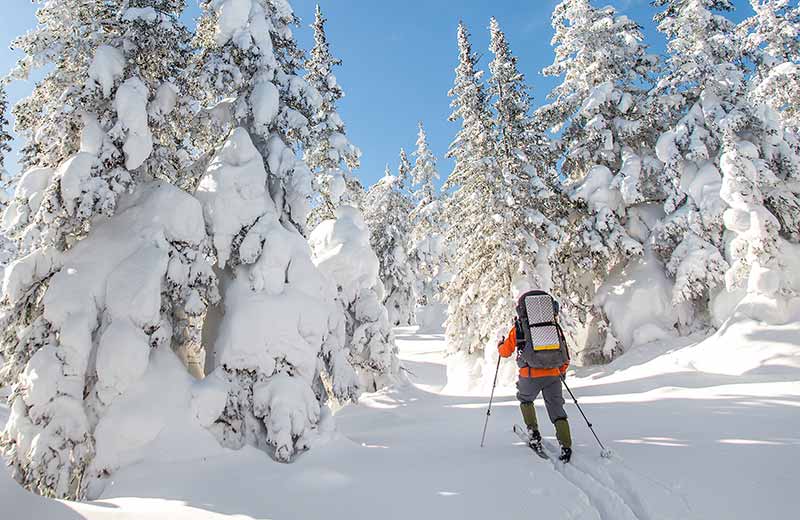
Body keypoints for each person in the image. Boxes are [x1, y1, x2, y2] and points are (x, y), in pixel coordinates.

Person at [498, 322, 573, 462]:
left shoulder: (519, 328)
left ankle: (533, 433)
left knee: (525, 400)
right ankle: (566, 445)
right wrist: (560, 372)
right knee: (557, 408)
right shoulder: (553, 326)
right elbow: (565, 354)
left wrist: (500, 345)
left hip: (530, 375)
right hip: (553, 374)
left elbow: (505, 352)